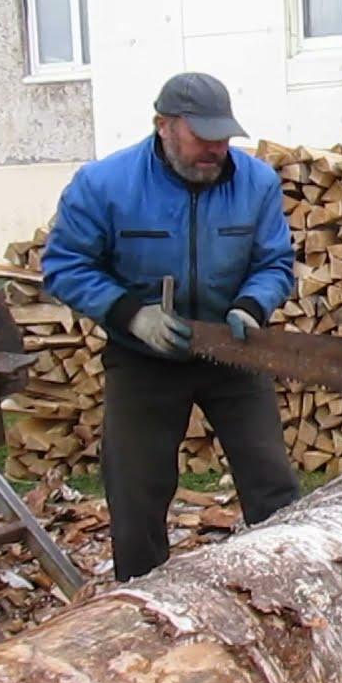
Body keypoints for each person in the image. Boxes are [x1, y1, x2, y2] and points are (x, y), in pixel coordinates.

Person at [41, 72, 301, 582]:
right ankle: (142, 604)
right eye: (201, 136)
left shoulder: (256, 183)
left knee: (272, 482)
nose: (215, 148)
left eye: (223, 137)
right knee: (136, 493)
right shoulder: (104, 185)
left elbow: (275, 263)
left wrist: (252, 305)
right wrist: (129, 314)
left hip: (230, 351)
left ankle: (294, 585)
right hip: (143, 357)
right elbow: (65, 266)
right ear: (164, 126)